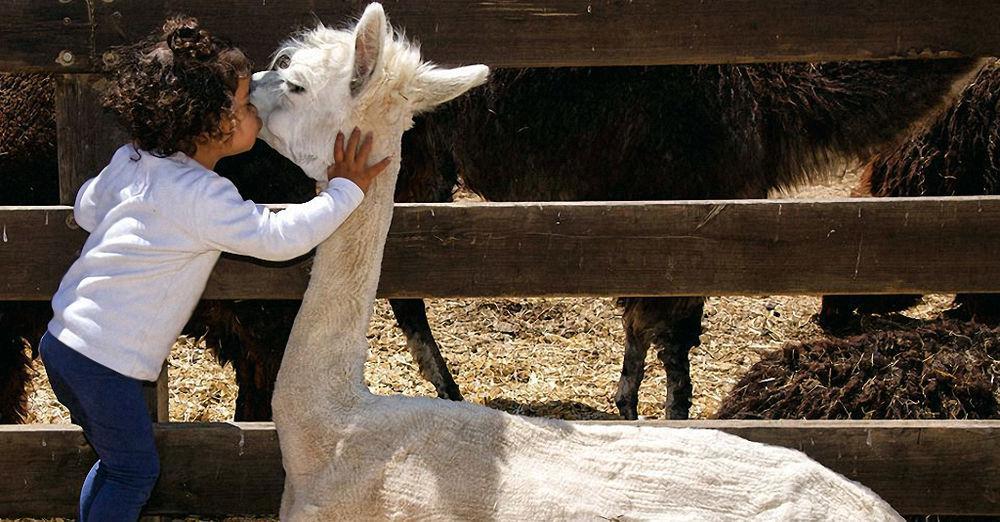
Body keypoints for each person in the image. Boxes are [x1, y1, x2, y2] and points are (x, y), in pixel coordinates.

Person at [38, 16, 390, 521]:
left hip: (66, 345)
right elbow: (278, 238)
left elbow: (84, 210)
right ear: (210, 125)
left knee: (118, 463)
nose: (255, 113)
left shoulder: (133, 160)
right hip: (104, 365)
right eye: (245, 106)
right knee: (134, 472)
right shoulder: (203, 196)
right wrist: (345, 190)